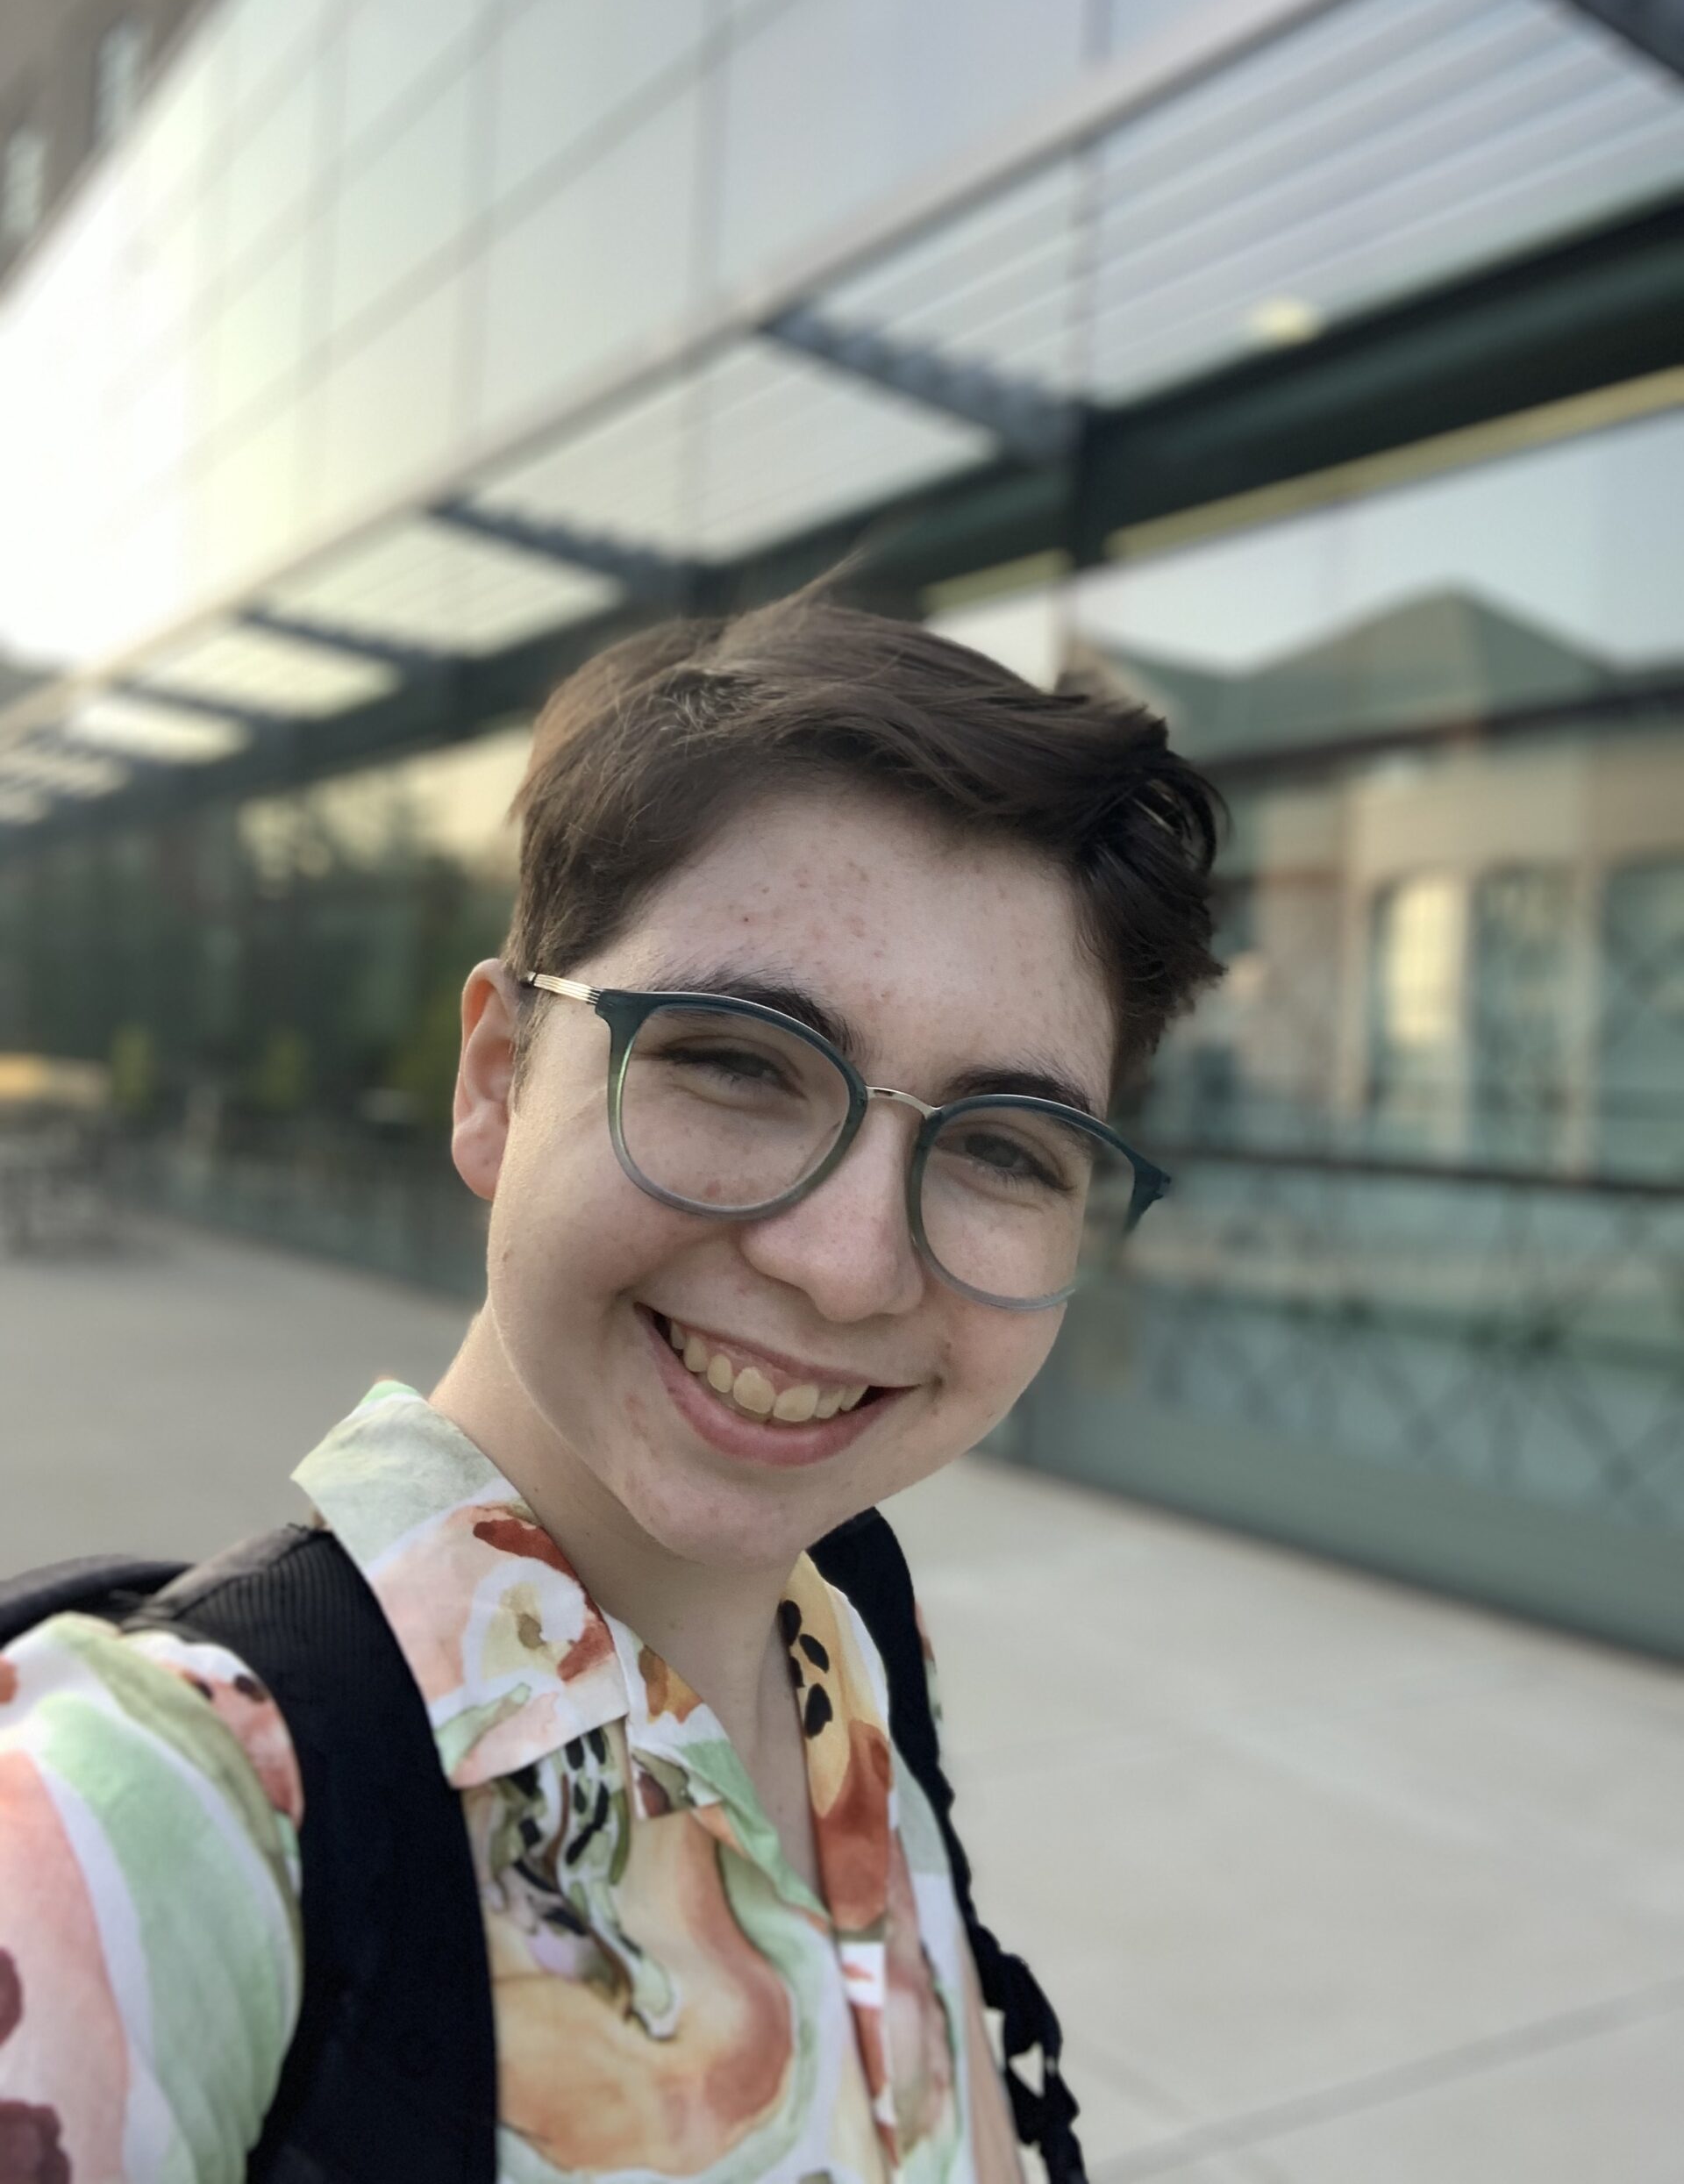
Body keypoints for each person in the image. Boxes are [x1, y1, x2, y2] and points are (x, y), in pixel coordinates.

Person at [0, 593, 1223, 2181]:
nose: (847, 1266)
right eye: (735, 1059)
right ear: (499, 1076)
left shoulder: (849, 1636)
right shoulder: (135, 1838)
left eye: (1001, 1146)